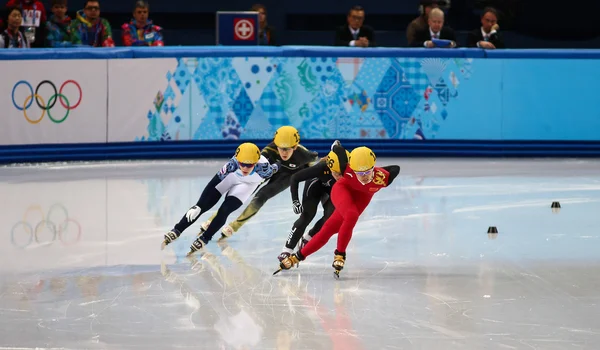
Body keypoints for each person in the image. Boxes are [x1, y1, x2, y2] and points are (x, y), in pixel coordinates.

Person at [276, 146, 400, 278]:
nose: (363, 177)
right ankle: (340, 255)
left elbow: (395, 169)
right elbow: (336, 148)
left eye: (367, 172)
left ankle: (297, 257)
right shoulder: (345, 169)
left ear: (373, 168)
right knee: (351, 216)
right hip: (342, 190)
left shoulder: (383, 177)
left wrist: (380, 171)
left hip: (361, 198)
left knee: (329, 229)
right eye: (359, 173)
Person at [198, 126, 319, 241]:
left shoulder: (305, 155)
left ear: (295, 146)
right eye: (280, 148)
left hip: (287, 176)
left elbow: (312, 167)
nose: (284, 152)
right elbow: (254, 163)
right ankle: (213, 219)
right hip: (269, 169)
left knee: (262, 195)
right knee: (243, 192)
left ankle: (235, 226)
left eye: (287, 149)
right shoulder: (269, 150)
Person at [160, 143, 279, 254]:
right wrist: (199, 205)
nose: (245, 168)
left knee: (224, 210)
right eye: (242, 163)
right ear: (238, 160)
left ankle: (205, 238)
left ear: (256, 162)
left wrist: (280, 164)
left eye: (250, 165)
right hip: (231, 178)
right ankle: (177, 229)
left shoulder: (264, 169)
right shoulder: (232, 165)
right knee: (201, 206)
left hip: (247, 186)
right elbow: (214, 183)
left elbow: (277, 167)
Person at [277, 141, 349, 263]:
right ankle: (287, 250)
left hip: (333, 190)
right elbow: (295, 178)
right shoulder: (322, 167)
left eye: (341, 174)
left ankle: (308, 237)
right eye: (335, 173)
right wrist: (295, 201)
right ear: (330, 167)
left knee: (330, 218)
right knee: (307, 216)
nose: (338, 177)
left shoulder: (350, 170)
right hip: (315, 185)